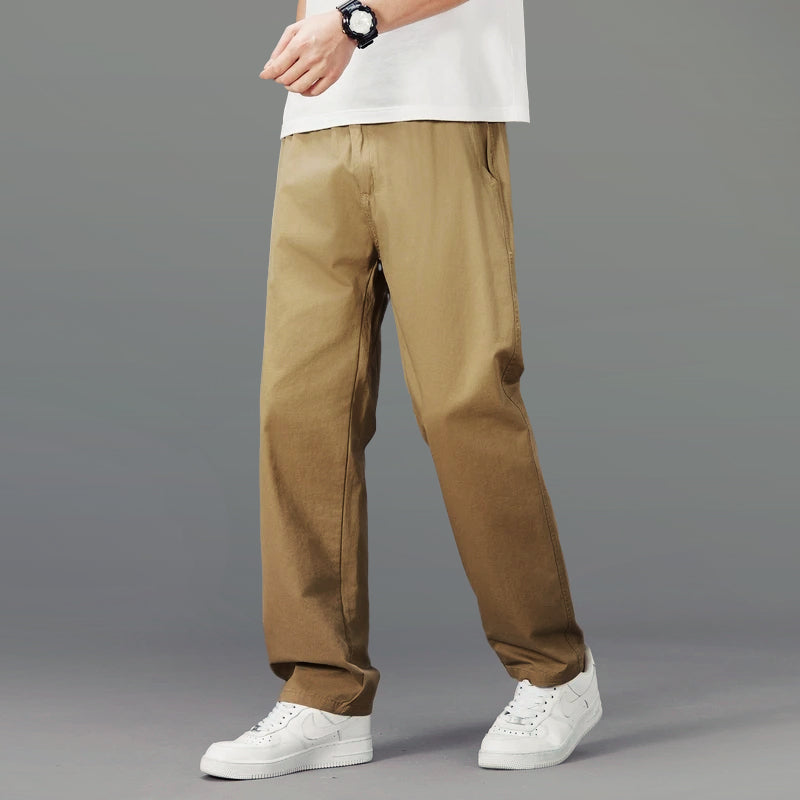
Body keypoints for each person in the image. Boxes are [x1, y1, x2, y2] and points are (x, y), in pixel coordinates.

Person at [200, 0, 602, 780]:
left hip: (441, 112)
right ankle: (324, 694)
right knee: (299, 412)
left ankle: (555, 672)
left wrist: (356, 20)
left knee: (463, 402)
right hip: (317, 120)